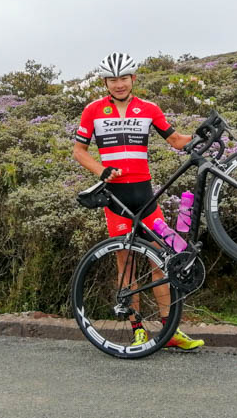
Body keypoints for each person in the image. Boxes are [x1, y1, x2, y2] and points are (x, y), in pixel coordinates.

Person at [72, 52, 204, 351]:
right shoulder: (93, 111)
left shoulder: (148, 109)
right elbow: (79, 151)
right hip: (116, 198)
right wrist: (102, 170)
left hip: (145, 194)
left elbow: (175, 140)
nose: (118, 84)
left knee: (160, 260)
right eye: (112, 79)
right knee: (126, 265)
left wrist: (201, 136)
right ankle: (137, 329)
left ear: (133, 79)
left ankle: (169, 329)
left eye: (123, 78)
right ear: (105, 82)